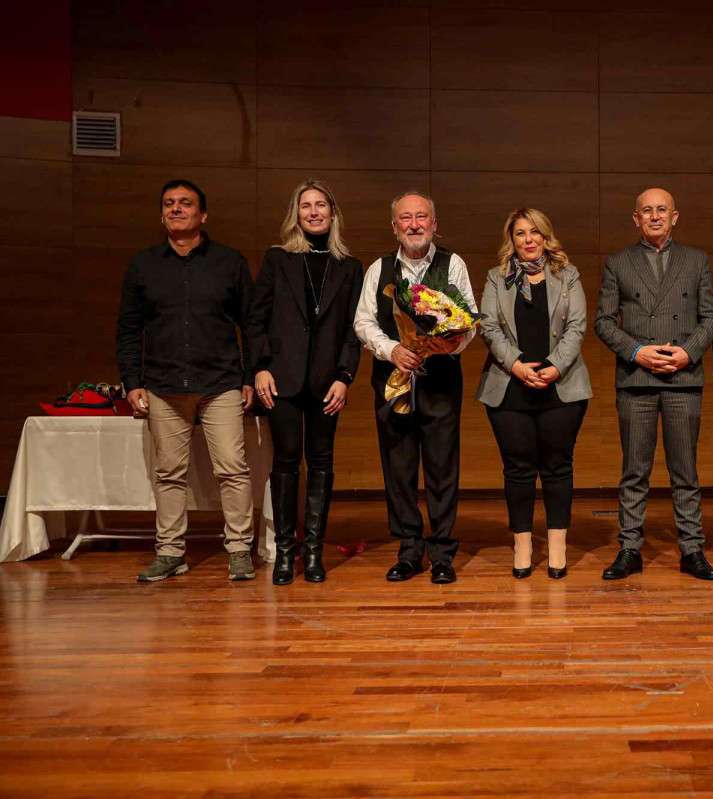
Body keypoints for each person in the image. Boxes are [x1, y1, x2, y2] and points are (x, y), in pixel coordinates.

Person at [116, 179, 257, 583]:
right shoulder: (143, 265)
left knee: (232, 469)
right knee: (168, 474)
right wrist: (132, 382)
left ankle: (239, 550)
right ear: (162, 215)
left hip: (221, 383)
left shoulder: (229, 262)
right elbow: (128, 329)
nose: (176, 209)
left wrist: (249, 376)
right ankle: (170, 553)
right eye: (169, 204)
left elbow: (251, 325)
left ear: (203, 214)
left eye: (185, 203)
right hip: (162, 385)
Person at [594, 188, 713, 581]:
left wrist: (687, 352)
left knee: (685, 472)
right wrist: (637, 352)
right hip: (637, 380)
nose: (654, 216)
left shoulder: (696, 260)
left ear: (674, 216)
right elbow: (603, 322)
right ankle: (629, 548)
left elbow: (711, 318)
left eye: (661, 210)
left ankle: (692, 549)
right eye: (646, 211)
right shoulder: (618, 262)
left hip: (683, 378)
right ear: (636, 219)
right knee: (634, 470)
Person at [354, 191, 476, 585]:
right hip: (392, 380)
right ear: (394, 227)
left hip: (440, 380)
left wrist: (451, 343)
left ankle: (442, 553)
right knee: (399, 468)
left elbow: (469, 319)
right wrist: (392, 350)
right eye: (405, 218)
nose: (414, 224)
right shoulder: (379, 268)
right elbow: (363, 322)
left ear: (434, 224)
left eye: (421, 217)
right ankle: (409, 550)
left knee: (442, 468)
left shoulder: (452, 264)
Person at [246, 179, 363, 585]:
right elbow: (256, 319)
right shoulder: (278, 259)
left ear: (333, 213)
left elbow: (353, 330)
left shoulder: (350, 267)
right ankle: (284, 552)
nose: (313, 212)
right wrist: (260, 367)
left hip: (327, 382)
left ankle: (313, 551)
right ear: (295, 215)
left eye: (320, 205)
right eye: (305, 206)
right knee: (285, 461)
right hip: (281, 379)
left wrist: (345, 377)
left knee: (322, 462)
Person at [477, 208, 591, 579]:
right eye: (520, 233)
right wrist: (517, 366)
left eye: (535, 232)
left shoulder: (568, 275)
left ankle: (557, 546)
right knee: (518, 470)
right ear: (511, 240)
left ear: (546, 236)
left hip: (561, 386)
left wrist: (554, 366)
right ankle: (522, 545)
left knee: (558, 468)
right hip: (510, 386)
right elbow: (489, 327)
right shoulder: (496, 278)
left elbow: (577, 327)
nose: (528, 240)